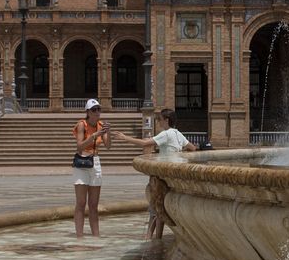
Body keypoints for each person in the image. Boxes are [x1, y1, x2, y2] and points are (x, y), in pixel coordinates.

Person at [111, 108, 196, 239]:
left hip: (162, 175)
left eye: (159, 119)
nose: (158, 122)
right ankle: (158, 238)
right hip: (173, 176)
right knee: (160, 208)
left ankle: (149, 238)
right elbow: (192, 148)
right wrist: (178, 158)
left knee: (154, 207)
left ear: (166, 120)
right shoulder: (178, 133)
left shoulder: (166, 134)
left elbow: (145, 143)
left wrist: (124, 137)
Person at [72, 98, 110, 237]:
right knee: (81, 202)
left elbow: (108, 146)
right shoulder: (82, 125)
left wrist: (107, 132)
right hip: (82, 163)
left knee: (93, 204)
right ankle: (79, 236)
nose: (97, 112)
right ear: (88, 112)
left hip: (95, 162)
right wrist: (93, 136)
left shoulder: (101, 125)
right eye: (94, 110)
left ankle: (96, 236)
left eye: (99, 109)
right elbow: (79, 146)